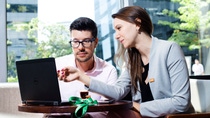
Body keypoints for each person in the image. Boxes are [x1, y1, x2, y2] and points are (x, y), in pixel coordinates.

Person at [58, 6, 195, 117]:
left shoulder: (169, 49)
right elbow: (118, 91)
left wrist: (139, 106)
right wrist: (81, 77)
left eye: (119, 28)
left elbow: (181, 102)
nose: (117, 36)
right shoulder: (133, 58)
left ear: (137, 24)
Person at [46, 17, 118, 118]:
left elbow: (108, 109)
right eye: (75, 42)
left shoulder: (109, 71)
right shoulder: (57, 65)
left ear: (96, 42)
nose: (80, 47)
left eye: (86, 41)